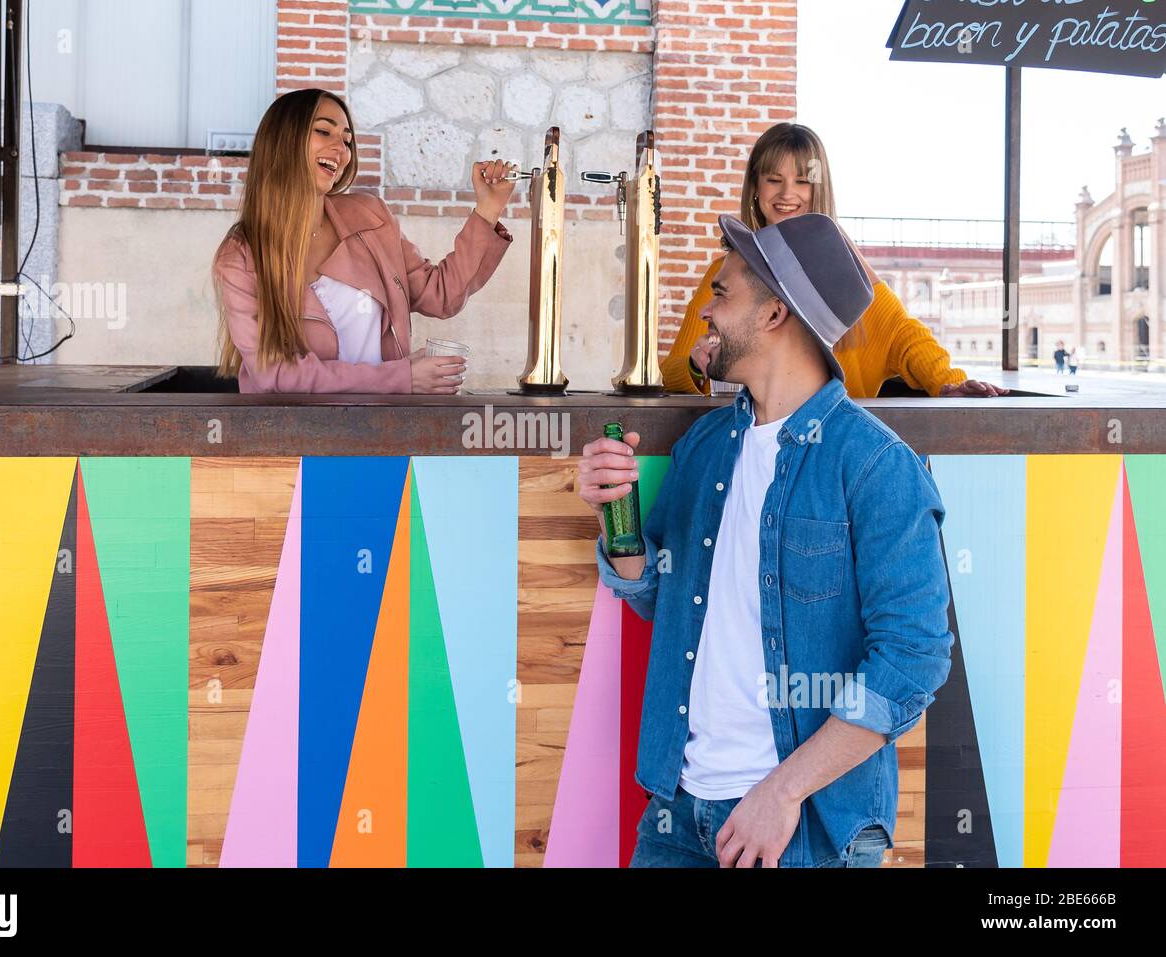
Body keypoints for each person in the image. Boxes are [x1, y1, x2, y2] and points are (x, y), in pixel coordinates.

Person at [578, 211, 954, 868]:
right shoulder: (703, 450)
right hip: (676, 813)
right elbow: (656, 599)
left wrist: (780, 793)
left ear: (775, 312)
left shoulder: (874, 465)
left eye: (722, 293)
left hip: (802, 829)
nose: (705, 313)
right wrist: (619, 519)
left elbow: (912, 662)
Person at [660, 123, 1007, 399]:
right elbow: (676, 367)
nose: (787, 194)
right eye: (774, 180)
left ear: (819, 188)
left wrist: (947, 382)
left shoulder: (844, 268)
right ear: (755, 186)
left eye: (802, 181)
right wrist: (696, 366)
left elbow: (903, 335)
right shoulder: (725, 274)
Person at [213, 88, 517, 393]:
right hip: (293, 436)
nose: (341, 150)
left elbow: (441, 294)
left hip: (381, 432)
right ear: (282, 141)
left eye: (346, 140)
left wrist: (488, 208)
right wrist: (401, 378)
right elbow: (273, 374)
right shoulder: (241, 256)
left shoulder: (371, 218)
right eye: (323, 131)